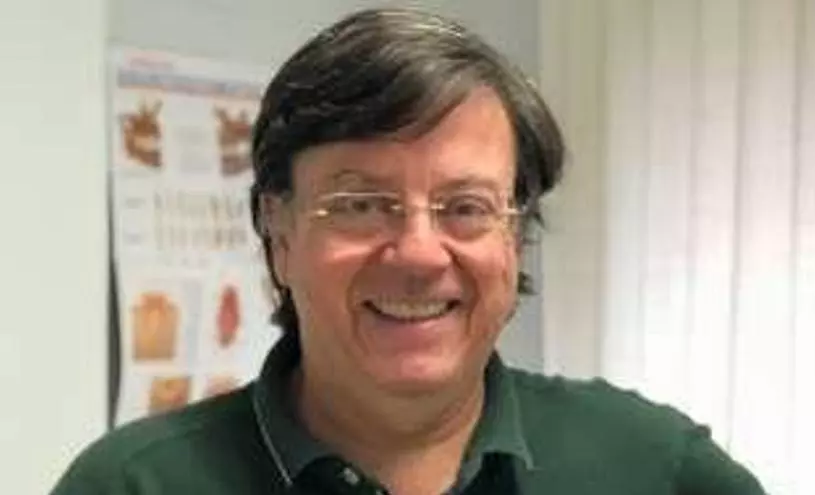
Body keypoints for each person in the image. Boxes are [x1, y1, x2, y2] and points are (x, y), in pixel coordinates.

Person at [52, 7, 766, 494]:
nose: (419, 254)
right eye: (360, 204)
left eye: (466, 207)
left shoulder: (650, 465)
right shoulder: (131, 485)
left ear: (515, 238)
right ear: (279, 235)